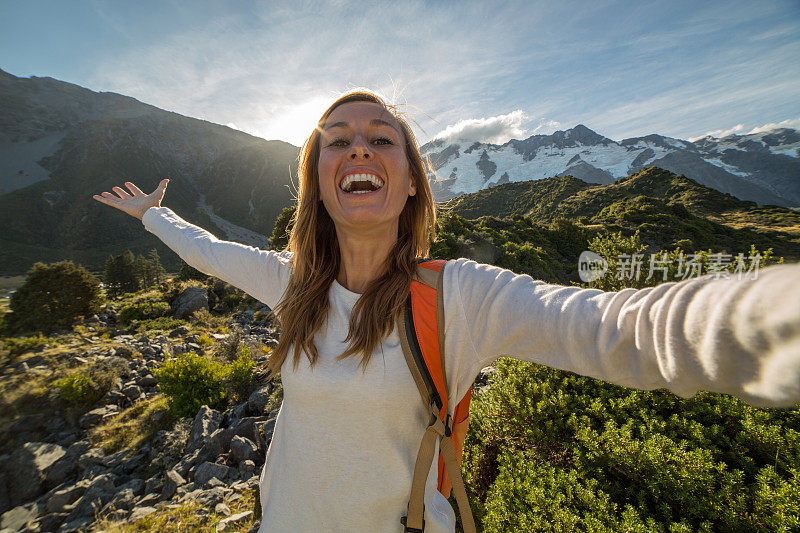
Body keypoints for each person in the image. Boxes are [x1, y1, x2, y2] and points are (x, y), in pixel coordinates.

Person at [93, 90, 800, 533]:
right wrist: (157, 217)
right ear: (317, 182)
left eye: (380, 136)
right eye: (337, 138)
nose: (359, 144)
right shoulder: (293, 285)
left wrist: (774, 319)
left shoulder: (458, 296)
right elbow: (210, 251)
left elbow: (620, 329)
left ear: (409, 187)